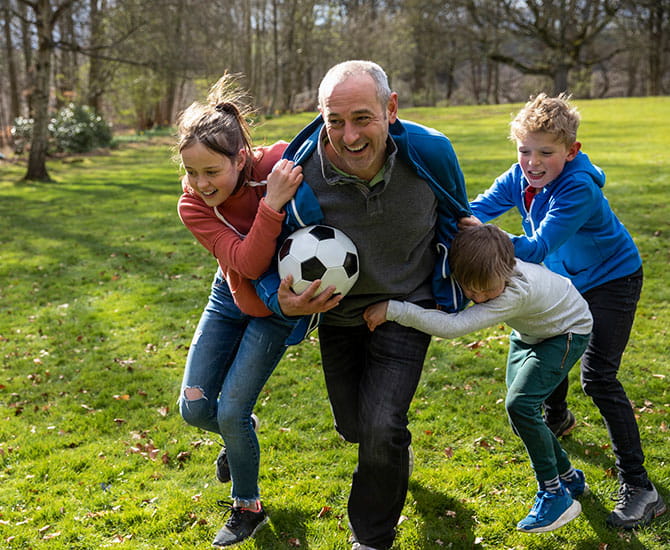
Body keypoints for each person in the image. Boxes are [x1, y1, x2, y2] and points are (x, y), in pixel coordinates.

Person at [254, 60, 471, 550]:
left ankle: (371, 537)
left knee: (381, 424)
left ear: (391, 109)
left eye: (362, 118)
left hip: (406, 307)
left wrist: (481, 261)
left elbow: (459, 218)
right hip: (339, 315)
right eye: (334, 120)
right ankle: (392, 453)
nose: (347, 136)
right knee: (356, 427)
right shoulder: (298, 171)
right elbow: (263, 245)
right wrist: (281, 295)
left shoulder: (431, 153)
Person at [460, 93, 666, 529]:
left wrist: (484, 238)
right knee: (547, 342)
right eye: (524, 150)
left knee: (599, 378)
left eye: (545, 153)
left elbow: (536, 247)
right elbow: (473, 211)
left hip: (612, 281)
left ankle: (640, 487)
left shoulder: (578, 187)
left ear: (570, 151)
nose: (532, 162)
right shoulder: (519, 176)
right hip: (566, 281)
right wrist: (454, 226)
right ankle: (557, 417)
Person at [365, 223, 593, 533]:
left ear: (507, 269)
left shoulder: (515, 292)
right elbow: (480, 237)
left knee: (521, 406)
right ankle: (569, 478)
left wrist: (395, 310)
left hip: (567, 330)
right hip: (530, 332)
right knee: (521, 416)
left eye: (487, 289)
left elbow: (453, 326)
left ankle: (554, 495)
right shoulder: (492, 262)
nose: (478, 296)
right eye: (470, 288)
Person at [175, 74, 303, 547]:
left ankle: (248, 507)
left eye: (212, 171)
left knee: (230, 409)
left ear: (240, 157)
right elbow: (246, 262)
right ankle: (239, 434)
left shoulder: (273, 165)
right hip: (230, 295)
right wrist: (271, 207)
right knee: (193, 408)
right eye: (193, 172)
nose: (201, 183)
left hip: (278, 309)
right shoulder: (193, 206)